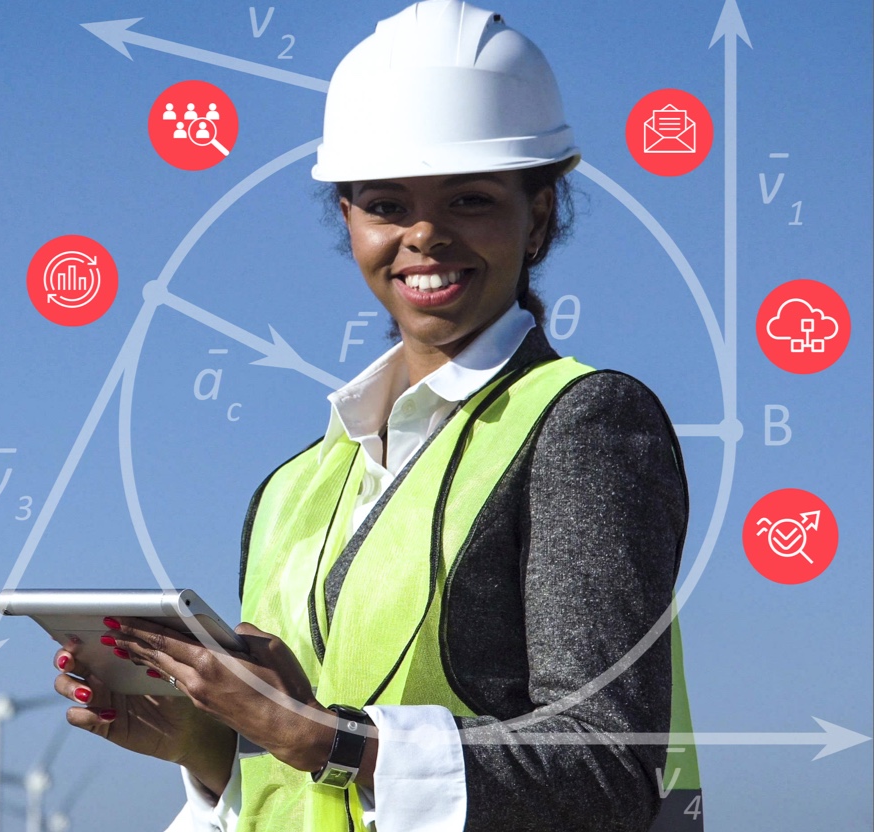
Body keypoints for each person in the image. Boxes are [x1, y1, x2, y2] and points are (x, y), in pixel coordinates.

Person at [52, 2, 701, 829]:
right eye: (387, 205)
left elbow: (604, 774)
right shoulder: (292, 488)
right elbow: (306, 780)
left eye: (468, 200)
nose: (424, 236)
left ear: (538, 216)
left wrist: (324, 738)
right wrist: (212, 751)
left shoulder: (585, 425)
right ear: (348, 219)